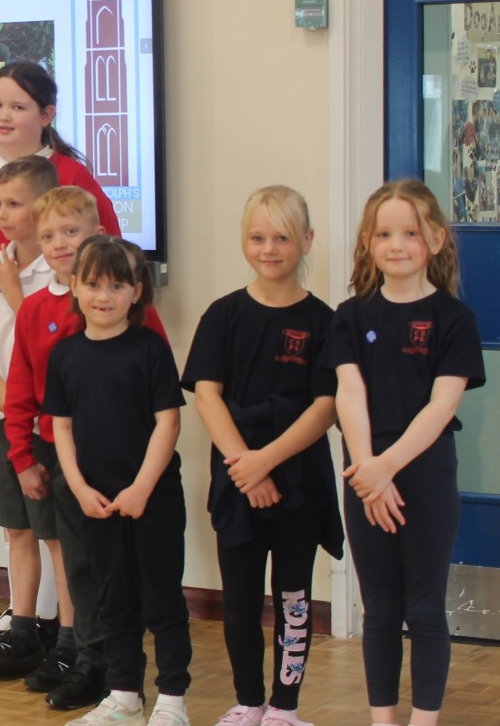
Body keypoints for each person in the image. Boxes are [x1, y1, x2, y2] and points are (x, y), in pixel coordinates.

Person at [0, 61, 122, 648]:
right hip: (1, 365)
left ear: (46, 115)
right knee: (18, 511)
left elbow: (104, 265)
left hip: (60, 374)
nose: (3, 116)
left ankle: (67, 625)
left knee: (60, 514)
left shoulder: (71, 176)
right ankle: (26, 617)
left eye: (18, 106)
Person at [324, 179, 484, 726]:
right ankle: (382, 718)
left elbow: (441, 406)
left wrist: (384, 468)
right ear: (369, 243)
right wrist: (367, 470)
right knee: (381, 609)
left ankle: (424, 719)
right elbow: (350, 392)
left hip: (424, 476)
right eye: (385, 233)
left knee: (423, 606)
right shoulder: (348, 316)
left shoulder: (454, 320)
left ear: (435, 240)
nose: (397, 244)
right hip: (365, 473)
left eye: (410, 233)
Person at [182, 187, 343, 726]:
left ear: (306, 242)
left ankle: (285, 708)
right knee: (241, 598)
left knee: (294, 597)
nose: (269, 249)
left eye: (282, 238)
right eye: (258, 237)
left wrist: (266, 461)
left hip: (299, 482)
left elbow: (326, 407)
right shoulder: (223, 315)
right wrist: (244, 467)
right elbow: (207, 395)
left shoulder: (324, 322)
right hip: (237, 480)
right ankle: (249, 700)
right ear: (244, 241)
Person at [5, 190, 168, 711]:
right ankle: (94, 667)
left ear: (96, 234)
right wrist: (24, 457)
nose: (59, 244)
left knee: (133, 574)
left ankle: (133, 676)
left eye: (70, 232)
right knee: (83, 569)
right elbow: (22, 391)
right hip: (67, 464)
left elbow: (159, 390)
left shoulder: (132, 310)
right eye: (48, 235)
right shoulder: (34, 310)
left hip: (131, 462)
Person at [42, 236, 190, 726]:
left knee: (162, 598)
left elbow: (168, 422)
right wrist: (80, 487)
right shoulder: (65, 356)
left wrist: (143, 488)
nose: (104, 295)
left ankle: (172, 698)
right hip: (97, 502)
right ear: (74, 287)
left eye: (116, 285)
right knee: (113, 599)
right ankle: (125, 693)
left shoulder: (149, 350)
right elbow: (61, 427)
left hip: (153, 498)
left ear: (136, 291)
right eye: (93, 284)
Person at [0, 156, 61, 679]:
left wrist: (15, 286)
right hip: (10, 416)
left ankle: (68, 633)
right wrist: (2, 393)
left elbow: (44, 334)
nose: (1, 214)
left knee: (55, 531)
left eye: (14, 204)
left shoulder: (59, 268)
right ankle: (23, 627)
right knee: (16, 527)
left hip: (48, 422)